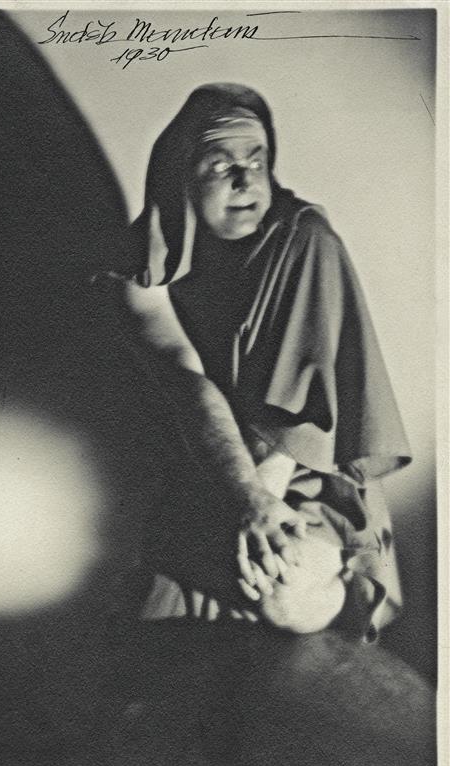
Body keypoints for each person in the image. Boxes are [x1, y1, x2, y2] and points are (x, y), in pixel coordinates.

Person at [96, 82, 411, 641]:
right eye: (221, 166)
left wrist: (264, 509)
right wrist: (245, 501)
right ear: (182, 179)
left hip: (300, 474)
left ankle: (331, 574)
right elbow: (188, 382)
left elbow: (301, 420)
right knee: (133, 592)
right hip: (216, 470)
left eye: (257, 162)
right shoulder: (142, 268)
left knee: (284, 593)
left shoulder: (304, 240)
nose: (246, 181)